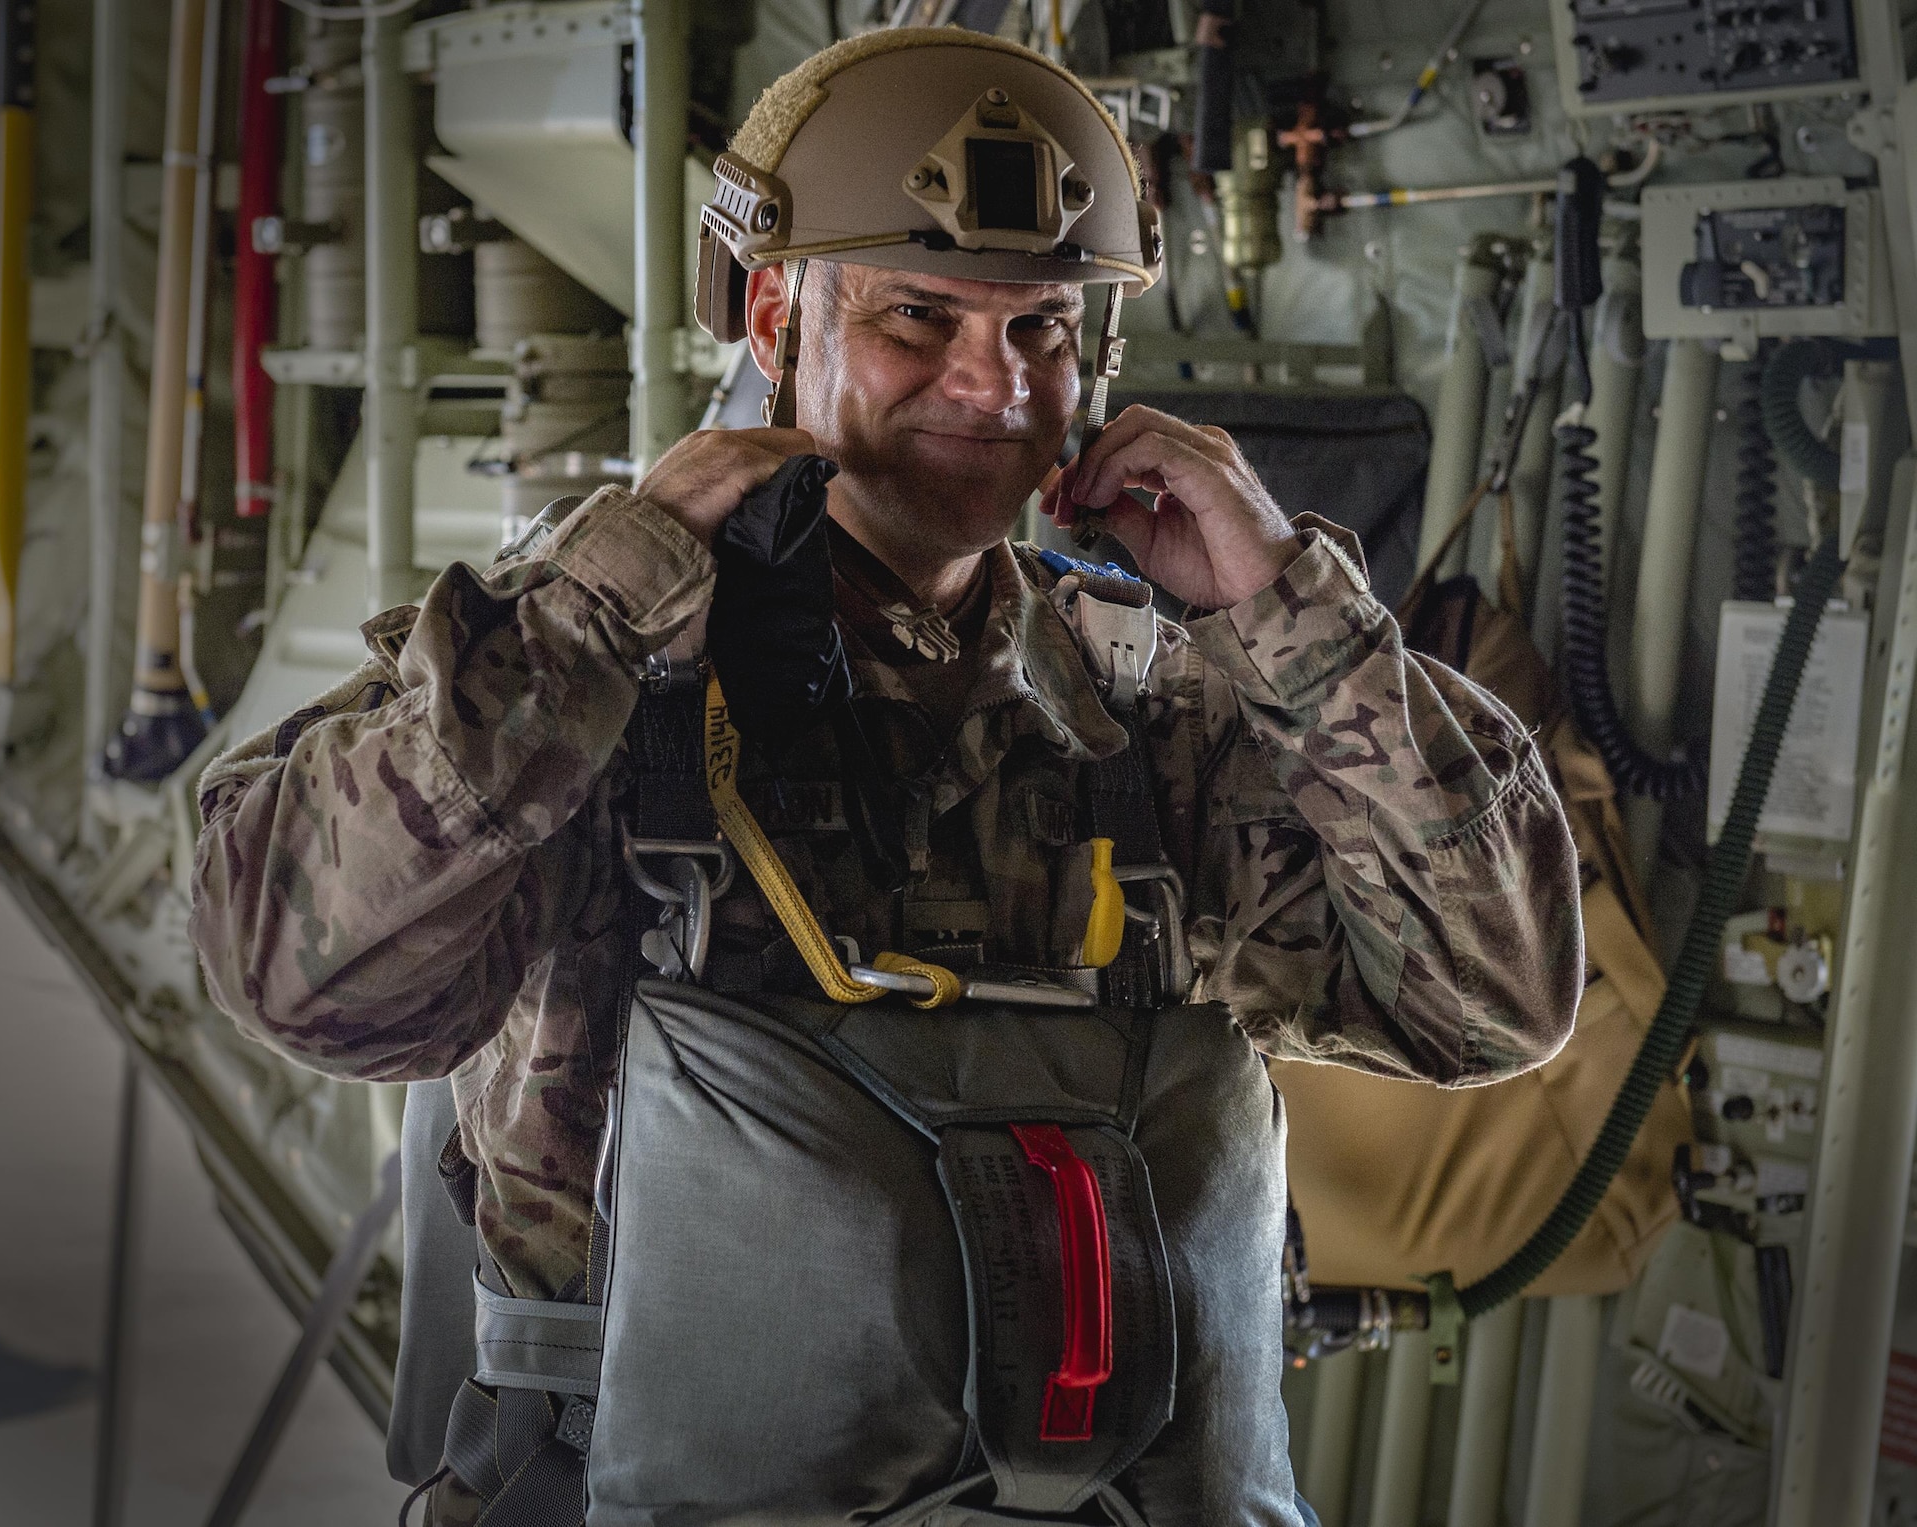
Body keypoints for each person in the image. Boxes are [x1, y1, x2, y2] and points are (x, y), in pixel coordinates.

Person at [190, 28, 1583, 1527]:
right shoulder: (576, 675)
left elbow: (1490, 997)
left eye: (1045, 331)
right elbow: (290, 971)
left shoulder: (1146, 707)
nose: (993, 383)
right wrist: (591, 613)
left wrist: (1287, 612)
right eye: (920, 315)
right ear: (779, 311)